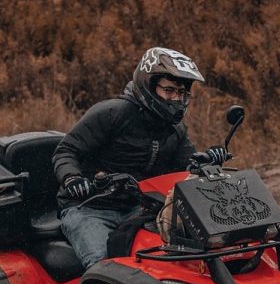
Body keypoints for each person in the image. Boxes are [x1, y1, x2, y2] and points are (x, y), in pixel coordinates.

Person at [52, 47, 229, 271]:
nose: (177, 98)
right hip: (88, 208)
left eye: (182, 92)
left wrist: (208, 160)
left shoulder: (174, 129)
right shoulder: (111, 113)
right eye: (169, 90)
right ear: (149, 85)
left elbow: (187, 165)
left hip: (139, 209)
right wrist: (72, 178)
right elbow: (66, 150)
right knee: (104, 267)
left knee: (175, 257)